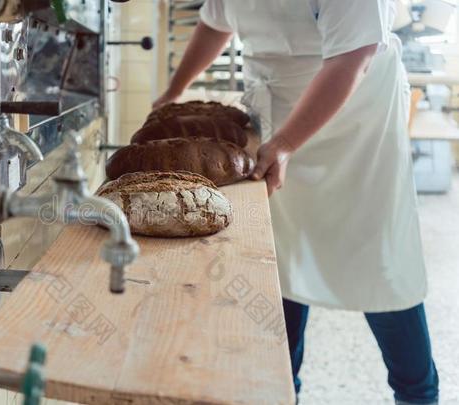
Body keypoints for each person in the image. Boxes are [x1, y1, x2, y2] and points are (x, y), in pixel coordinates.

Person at [153, 1, 439, 404]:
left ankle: (417, 393)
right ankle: (283, 390)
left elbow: (352, 57)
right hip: (274, 113)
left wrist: (287, 143)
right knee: (279, 260)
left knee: (381, 265)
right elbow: (214, 22)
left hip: (356, 124)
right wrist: (174, 90)